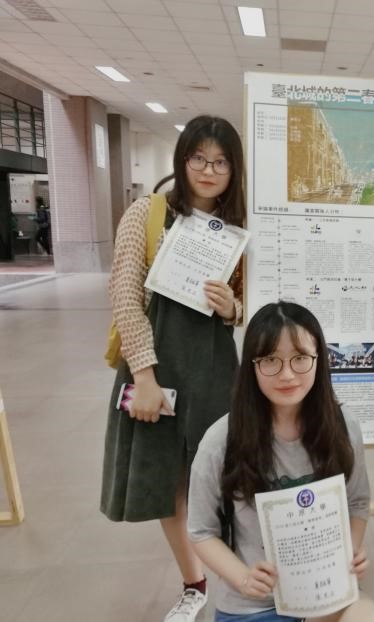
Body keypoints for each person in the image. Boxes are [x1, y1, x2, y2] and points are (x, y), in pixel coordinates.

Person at [100, 115, 247, 622]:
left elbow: (245, 305)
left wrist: (231, 307)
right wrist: (144, 376)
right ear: (183, 160)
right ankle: (193, 583)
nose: (208, 170)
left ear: (234, 169)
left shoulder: (236, 227)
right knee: (170, 481)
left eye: (221, 162)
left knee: (219, 474)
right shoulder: (148, 212)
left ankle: (240, 577)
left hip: (215, 368)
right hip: (157, 364)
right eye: (198, 158)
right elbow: (125, 294)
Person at [187, 302, 374, 622]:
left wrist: (348, 553)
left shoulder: (343, 426)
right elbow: (201, 531)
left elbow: (357, 502)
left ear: (319, 360)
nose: (286, 374)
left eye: (300, 358)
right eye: (270, 360)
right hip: (252, 606)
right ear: (252, 366)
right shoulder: (220, 440)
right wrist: (243, 577)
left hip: (325, 595)